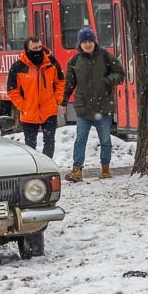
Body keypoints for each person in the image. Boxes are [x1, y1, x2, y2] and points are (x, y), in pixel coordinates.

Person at [63, 27, 126, 182]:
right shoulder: (75, 61)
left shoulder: (106, 56)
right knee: (80, 140)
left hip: (102, 107)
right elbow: (69, 83)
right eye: (84, 42)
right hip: (83, 107)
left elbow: (120, 74)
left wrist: (108, 81)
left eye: (90, 41)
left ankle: (105, 169)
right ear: (80, 44)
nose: (88, 44)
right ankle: (77, 170)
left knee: (105, 140)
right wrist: (64, 100)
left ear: (94, 41)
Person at [6, 37, 65, 158]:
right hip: (29, 113)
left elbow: (60, 82)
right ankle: (35, 168)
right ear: (27, 49)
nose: (38, 51)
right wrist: (23, 106)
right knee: (30, 145)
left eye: (39, 47)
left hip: (49, 110)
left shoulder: (51, 63)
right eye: (34, 48)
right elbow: (12, 91)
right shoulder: (18, 67)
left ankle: (47, 166)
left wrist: (57, 100)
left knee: (49, 142)